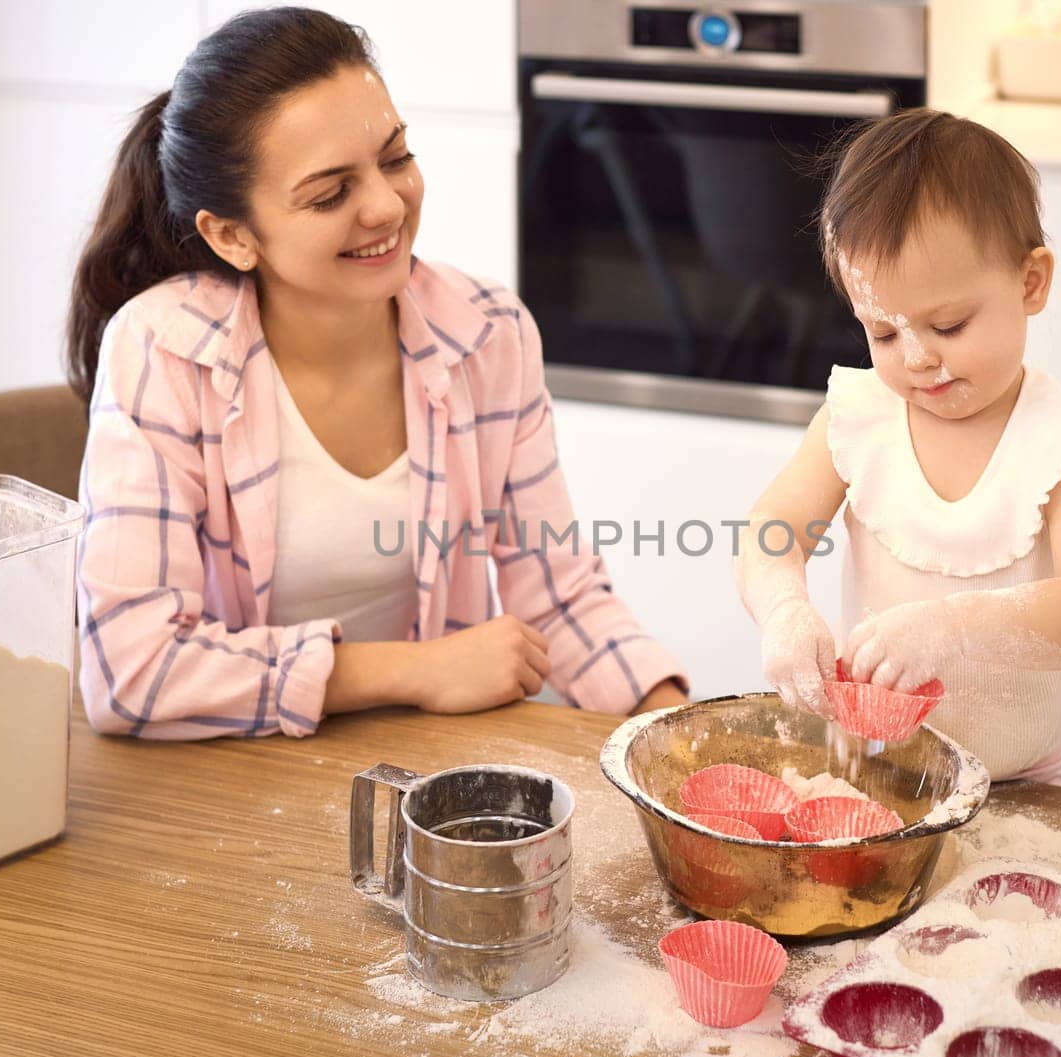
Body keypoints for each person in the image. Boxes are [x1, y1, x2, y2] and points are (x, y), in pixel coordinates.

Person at [67, 7, 687, 740]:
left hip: (426, 766)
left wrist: (674, 728)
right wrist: (414, 670)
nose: (387, 205)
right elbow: (131, 669)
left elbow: (559, 597)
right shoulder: (165, 351)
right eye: (331, 194)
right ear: (232, 235)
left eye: (395, 158)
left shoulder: (488, 333)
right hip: (225, 776)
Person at [735, 109, 1061, 786]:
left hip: (1026, 776)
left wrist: (958, 628)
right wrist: (782, 605)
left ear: (1031, 282)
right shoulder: (859, 417)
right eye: (883, 333)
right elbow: (771, 530)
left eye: (947, 324)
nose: (917, 357)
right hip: (880, 758)